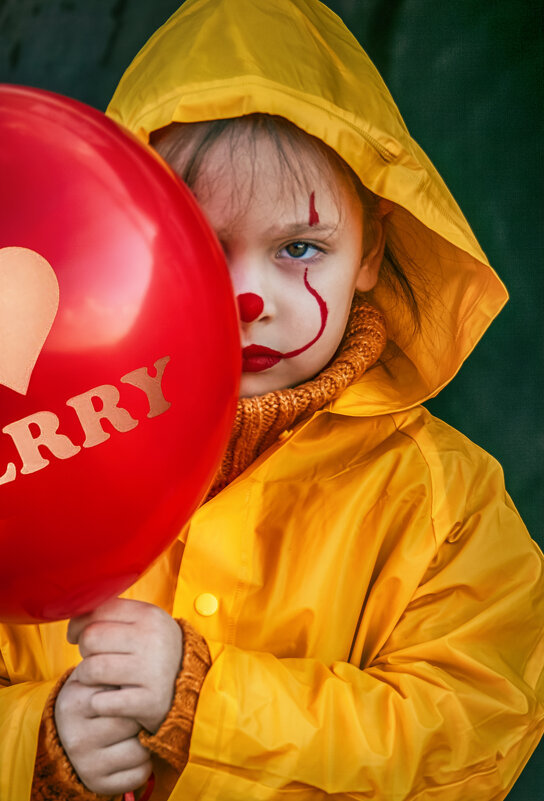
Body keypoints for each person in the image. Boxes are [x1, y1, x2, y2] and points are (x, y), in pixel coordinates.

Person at [2, 0, 543, 799]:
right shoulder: (34, 456)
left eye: (299, 247)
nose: (247, 296)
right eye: (198, 236)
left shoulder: (446, 507)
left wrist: (205, 704)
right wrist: (36, 746)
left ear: (372, 250)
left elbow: (469, 736)